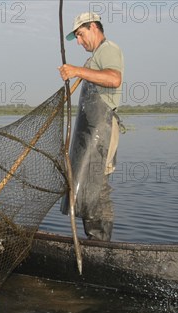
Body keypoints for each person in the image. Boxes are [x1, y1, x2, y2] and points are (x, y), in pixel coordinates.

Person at [58, 12, 124, 241]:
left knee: (97, 184)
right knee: (87, 180)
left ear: (93, 27)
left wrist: (77, 70)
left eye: (80, 34)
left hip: (102, 129)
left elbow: (114, 79)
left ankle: (100, 241)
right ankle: (94, 239)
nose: (78, 41)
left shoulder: (108, 49)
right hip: (91, 130)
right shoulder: (96, 55)